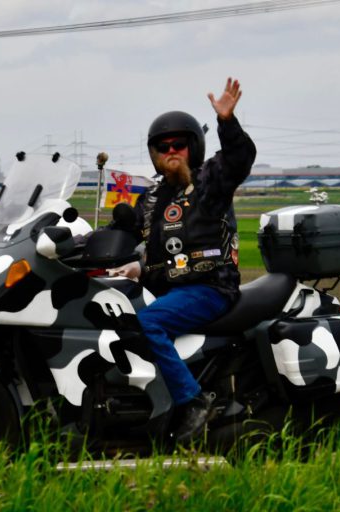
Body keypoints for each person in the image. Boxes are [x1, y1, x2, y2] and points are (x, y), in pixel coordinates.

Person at [110, 77, 256, 441]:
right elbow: (149, 246)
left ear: (194, 147)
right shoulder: (151, 200)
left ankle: (192, 401)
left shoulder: (209, 183)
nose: (171, 150)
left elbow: (239, 159)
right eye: (163, 146)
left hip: (209, 287)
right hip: (171, 288)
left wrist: (227, 122)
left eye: (179, 144)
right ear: (154, 153)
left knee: (149, 323)